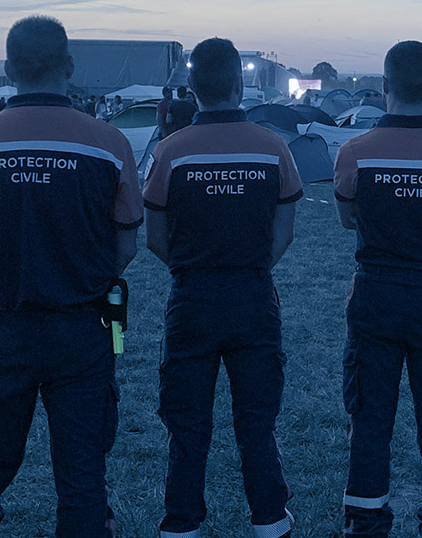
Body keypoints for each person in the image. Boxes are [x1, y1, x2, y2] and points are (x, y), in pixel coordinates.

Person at [0, 16, 144, 538]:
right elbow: (126, 243)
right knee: (82, 478)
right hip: (83, 329)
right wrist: (77, 276)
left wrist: (6, 272)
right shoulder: (108, 144)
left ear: (7, 70)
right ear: (68, 67)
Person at [142, 38, 300, 538]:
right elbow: (284, 229)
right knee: (256, 421)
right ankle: (270, 520)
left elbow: (154, 237)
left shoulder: (170, 151)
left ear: (192, 87)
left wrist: (192, 268)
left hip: (191, 297)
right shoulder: (272, 147)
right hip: (253, 294)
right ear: (240, 84)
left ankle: (182, 523)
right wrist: (250, 267)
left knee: (187, 424)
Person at [334, 41, 422, 538]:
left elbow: (348, 218)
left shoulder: (355, 152)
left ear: (384, 87)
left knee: (370, 415)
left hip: (376, 292)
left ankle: (366, 522)